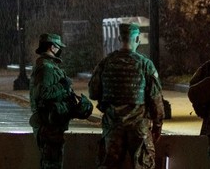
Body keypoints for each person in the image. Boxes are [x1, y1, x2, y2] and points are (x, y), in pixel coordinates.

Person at [89, 23, 163, 169]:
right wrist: (158, 125)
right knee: (143, 165)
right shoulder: (145, 65)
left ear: (119, 38)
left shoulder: (106, 63)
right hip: (139, 127)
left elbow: (93, 92)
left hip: (113, 125)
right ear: (137, 40)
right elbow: (155, 99)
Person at [29, 33, 90, 169]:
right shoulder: (46, 68)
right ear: (52, 47)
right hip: (49, 126)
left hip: (52, 125)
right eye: (58, 47)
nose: (60, 50)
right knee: (51, 164)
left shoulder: (48, 66)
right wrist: (62, 85)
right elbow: (44, 94)